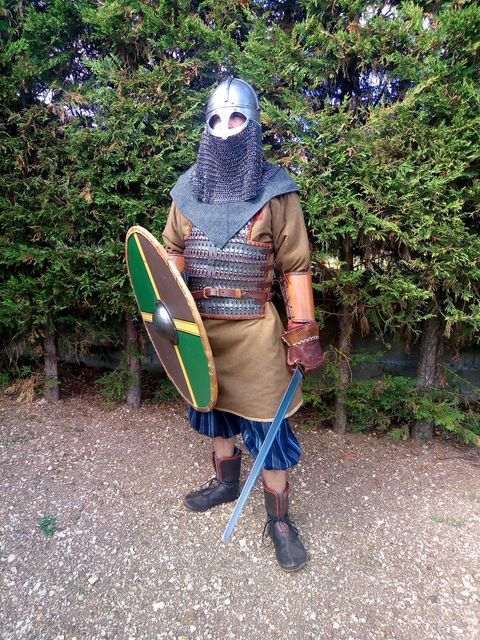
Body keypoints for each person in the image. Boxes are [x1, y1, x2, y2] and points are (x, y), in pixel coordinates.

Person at [162, 77, 324, 572]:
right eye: (217, 119)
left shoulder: (276, 192)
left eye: (237, 118)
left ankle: (279, 520)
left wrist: (302, 332)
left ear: (253, 125)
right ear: (206, 127)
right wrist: (167, 313)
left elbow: (295, 265)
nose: (226, 128)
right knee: (213, 409)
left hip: (255, 333)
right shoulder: (188, 191)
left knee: (268, 426)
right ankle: (226, 482)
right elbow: (169, 256)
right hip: (201, 330)